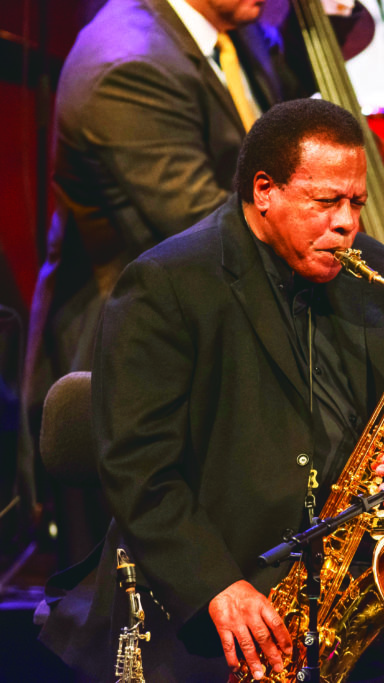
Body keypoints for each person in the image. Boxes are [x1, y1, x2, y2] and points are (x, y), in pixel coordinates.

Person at [39, 98, 384, 682]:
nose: (347, 222)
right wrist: (217, 585)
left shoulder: (369, 266)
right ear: (264, 190)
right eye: (326, 203)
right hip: (222, 590)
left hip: (355, 578)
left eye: (356, 203)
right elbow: (138, 469)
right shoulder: (168, 284)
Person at [20, 0, 301, 563]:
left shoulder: (235, 29)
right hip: (142, 355)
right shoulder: (128, 65)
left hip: (225, 314)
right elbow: (212, 232)